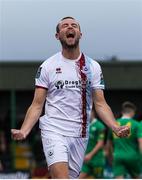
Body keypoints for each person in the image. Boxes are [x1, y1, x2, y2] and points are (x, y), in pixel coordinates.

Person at [11, 16, 130, 179]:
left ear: (80, 34)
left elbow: (100, 104)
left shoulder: (93, 67)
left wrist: (115, 127)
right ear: (57, 35)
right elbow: (37, 105)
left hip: (80, 133)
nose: (70, 27)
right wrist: (24, 130)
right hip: (54, 129)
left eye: (74, 25)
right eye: (65, 26)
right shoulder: (48, 66)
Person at [107, 101, 142, 179]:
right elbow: (140, 143)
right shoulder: (137, 124)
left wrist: (110, 157)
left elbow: (108, 144)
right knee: (137, 178)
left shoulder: (114, 124)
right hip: (133, 157)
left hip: (117, 156)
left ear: (122, 112)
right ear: (132, 112)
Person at [79, 106, 106, 179]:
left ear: (93, 112)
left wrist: (90, 155)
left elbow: (100, 143)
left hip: (97, 159)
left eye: (88, 111)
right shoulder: (83, 126)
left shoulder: (100, 126)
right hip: (86, 159)